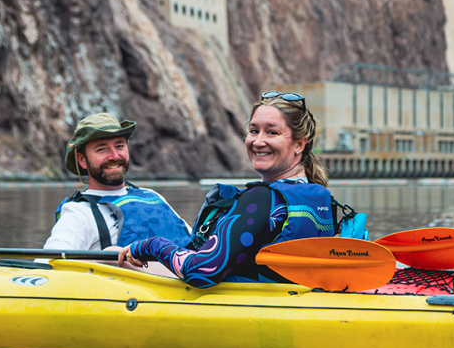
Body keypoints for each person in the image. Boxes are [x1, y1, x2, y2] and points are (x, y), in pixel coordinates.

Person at [118, 91, 336, 288]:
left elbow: (201, 271)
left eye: (272, 132)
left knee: (112, 256)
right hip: (292, 302)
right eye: (253, 130)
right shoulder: (321, 197)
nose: (258, 141)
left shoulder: (262, 198)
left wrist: (151, 245)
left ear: (300, 144)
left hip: (251, 309)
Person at [43, 112, 192, 252]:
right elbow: (48, 264)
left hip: (192, 273)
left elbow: (193, 242)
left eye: (119, 146)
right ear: (82, 160)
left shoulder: (151, 195)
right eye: (102, 149)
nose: (114, 156)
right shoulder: (79, 213)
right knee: (112, 253)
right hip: (138, 277)